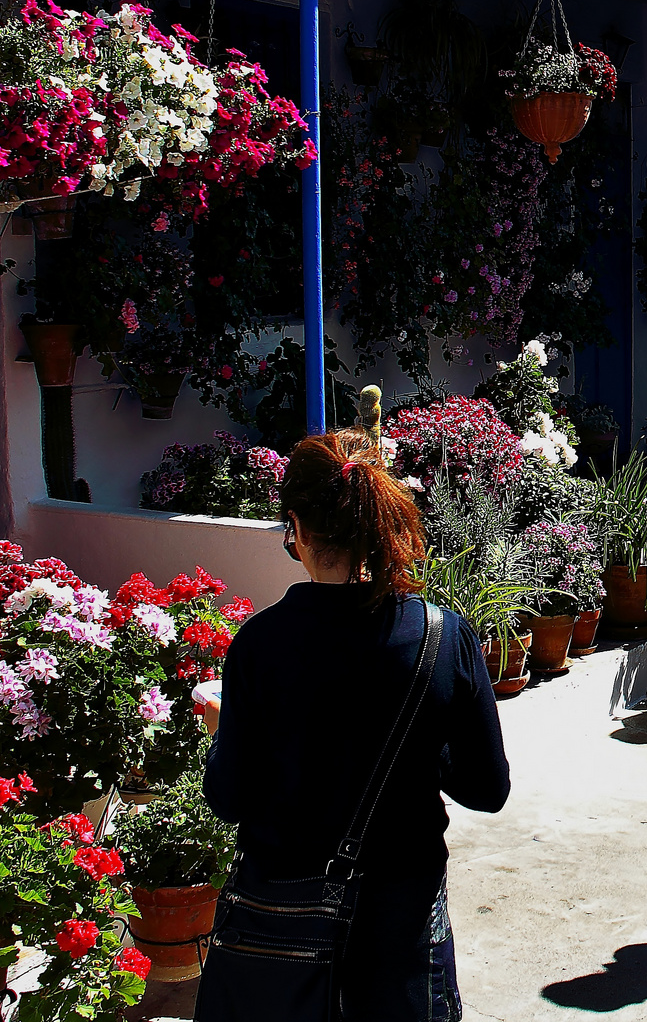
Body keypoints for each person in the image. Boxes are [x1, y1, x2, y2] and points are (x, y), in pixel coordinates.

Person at [200, 430, 509, 1021]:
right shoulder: (442, 639)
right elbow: (486, 789)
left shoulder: (259, 647)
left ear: (295, 526)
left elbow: (229, 797)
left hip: (282, 931)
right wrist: (421, 735)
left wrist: (224, 730)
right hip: (403, 924)